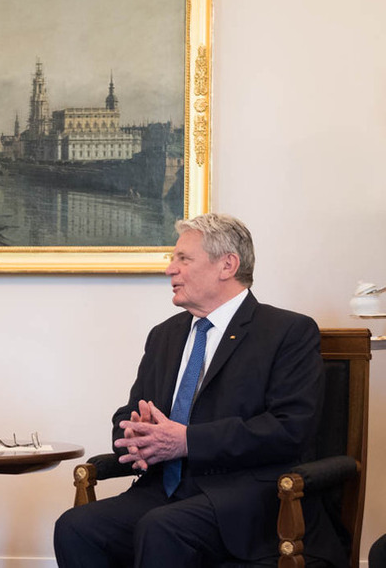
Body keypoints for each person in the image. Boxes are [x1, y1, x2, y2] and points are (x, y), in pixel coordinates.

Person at [54, 213, 347, 567]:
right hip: (164, 490)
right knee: (76, 527)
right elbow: (130, 411)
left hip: (248, 498)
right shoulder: (165, 335)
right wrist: (134, 434)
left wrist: (186, 441)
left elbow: (289, 429)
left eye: (183, 259)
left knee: (162, 528)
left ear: (227, 265)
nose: (169, 270)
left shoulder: (287, 332)